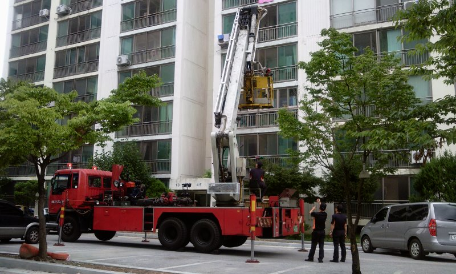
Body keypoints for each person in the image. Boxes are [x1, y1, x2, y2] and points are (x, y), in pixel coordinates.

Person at [305, 198, 327, 263]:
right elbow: (323, 208)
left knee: (313, 245)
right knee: (321, 246)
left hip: (316, 231)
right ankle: (320, 259)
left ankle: (311, 257)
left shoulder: (316, 214)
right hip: (322, 231)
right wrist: (319, 202)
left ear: (319, 208)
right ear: (325, 209)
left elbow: (310, 212)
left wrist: (313, 208)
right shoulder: (325, 214)